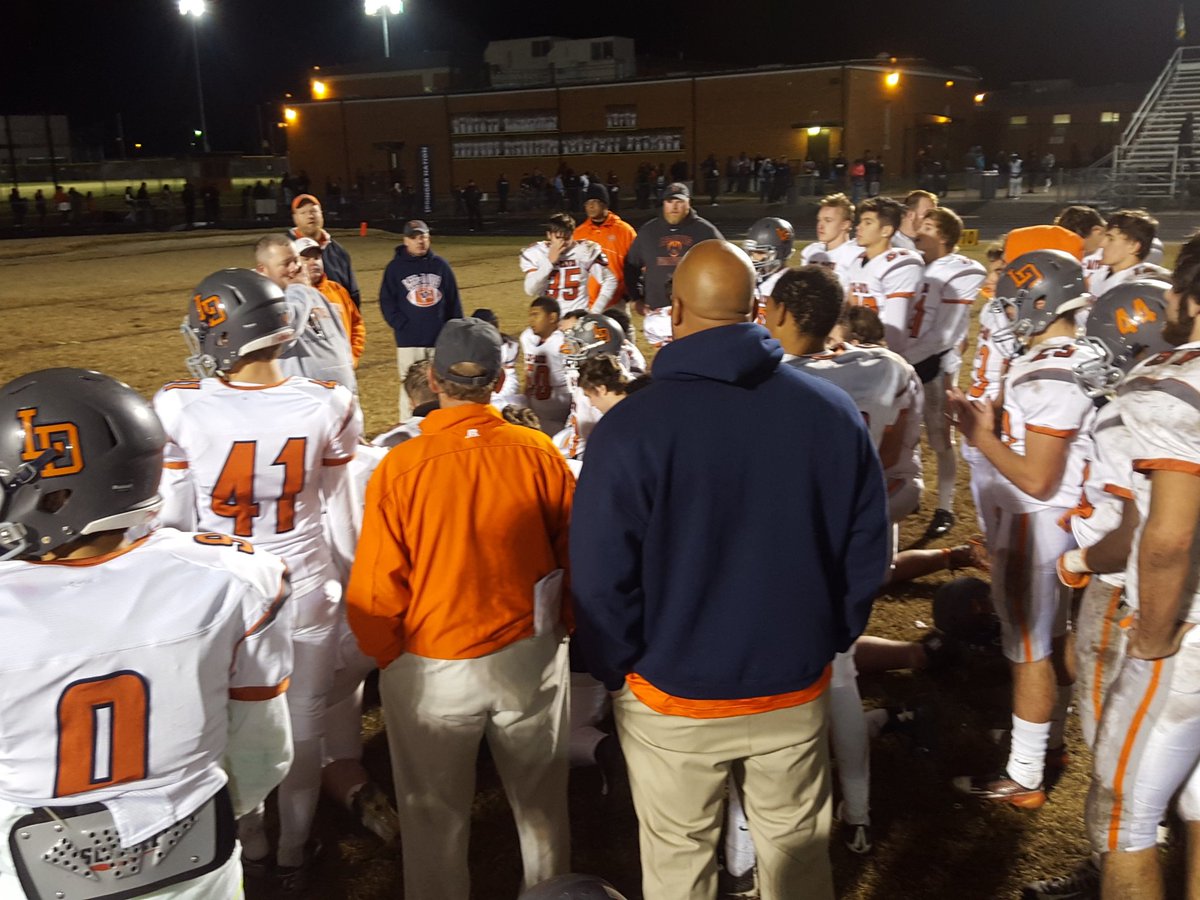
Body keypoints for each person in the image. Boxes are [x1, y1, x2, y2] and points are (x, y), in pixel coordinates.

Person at [571, 241, 890, 900]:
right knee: (796, 863)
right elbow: (866, 549)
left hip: (670, 693)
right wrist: (827, 635)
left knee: (679, 866)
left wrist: (619, 670)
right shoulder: (829, 412)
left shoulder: (630, 429)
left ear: (675, 309)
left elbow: (601, 580)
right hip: (791, 684)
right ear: (758, 309)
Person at [0, 367, 293, 899]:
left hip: (27, 873)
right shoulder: (233, 578)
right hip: (196, 864)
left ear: (54, 497)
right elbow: (263, 752)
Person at [347, 317, 575, 900]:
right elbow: (577, 556)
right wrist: (559, 632)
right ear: (499, 382)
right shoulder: (538, 450)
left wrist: (390, 658)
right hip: (527, 655)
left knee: (433, 821)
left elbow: (375, 592)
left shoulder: (399, 467)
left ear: (431, 379)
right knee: (542, 811)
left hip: (434, 664)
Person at [156, 268, 362, 889]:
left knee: (234, 723)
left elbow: (173, 522)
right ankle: (297, 851)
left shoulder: (178, 406)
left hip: (225, 591)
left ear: (224, 335)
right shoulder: (328, 402)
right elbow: (337, 509)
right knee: (304, 723)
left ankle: (254, 845)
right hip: (305, 582)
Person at [1021, 279, 1173, 900]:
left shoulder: (1129, 411)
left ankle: (1113, 868)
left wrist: (1079, 559)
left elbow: (1130, 530)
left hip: (1129, 595)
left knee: (1118, 767)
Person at [947, 250, 1102, 808]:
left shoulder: (1047, 370)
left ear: (1040, 301)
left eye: (1014, 302)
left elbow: (1037, 478)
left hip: (1037, 523)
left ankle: (1025, 774)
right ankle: (1048, 742)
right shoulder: (1076, 354)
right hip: (1057, 524)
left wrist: (980, 433)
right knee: (1049, 641)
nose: (1008, 313)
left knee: (1029, 651)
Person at [1087, 235, 1200, 899]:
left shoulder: (1173, 382)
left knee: (1123, 818)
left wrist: (1154, 636)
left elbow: (1170, 535)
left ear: (1184, 298)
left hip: (1187, 632)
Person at [908, 207, 987, 541]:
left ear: (944, 236)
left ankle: (946, 507)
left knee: (940, 438)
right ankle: (908, 489)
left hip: (933, 364)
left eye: (927, 227)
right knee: (903, 431)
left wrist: (905, 357)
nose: (918, 233)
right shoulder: (916, 264)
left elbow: (947, 333)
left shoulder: (960, 269)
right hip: (907, 357)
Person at [379, 219, 464, 420]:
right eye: (414, 237)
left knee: (441, 385)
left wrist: (453, 332)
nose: (420, 241)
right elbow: (387, 302)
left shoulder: (440, 265)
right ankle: (407, 423)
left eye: (423, 236)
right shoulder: (395, 268)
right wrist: (402, 326)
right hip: (409, 342)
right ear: (405, 241)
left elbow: (453, 300)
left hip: (439, 340)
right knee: (409, 385)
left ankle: (441, 422)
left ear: (429, 238)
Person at [623, 182, 724, 347]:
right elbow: (631, 265)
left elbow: (725, 265)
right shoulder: (649, 231)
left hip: (695, 311)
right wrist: (635, 298)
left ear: (688, 203)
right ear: (663, 203)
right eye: (670, 202)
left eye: (679, 202)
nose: (674, 206)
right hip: (657, 310)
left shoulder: (706, 231)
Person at [254, 234, 357, 393]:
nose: (295, 268)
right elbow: (286, 329)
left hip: (341, 401)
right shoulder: (259, 303)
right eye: (286, 264)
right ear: (263, 269)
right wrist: (298, 288)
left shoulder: (311, 293)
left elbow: (340, 338)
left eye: (295, 260)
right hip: (305, 405)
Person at [846, 196, 924, 357]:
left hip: (890, 352)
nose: (858, 228)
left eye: (868, 222)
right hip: (860, 348)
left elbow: (895, 330)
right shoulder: (857, 261)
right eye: (860, 222)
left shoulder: (900, 265)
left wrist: (884, 358)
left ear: (886, 231)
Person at [521, 212, 618, 314]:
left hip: (576, 319)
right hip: (548, 320)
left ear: (573, 234)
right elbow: (530, 290)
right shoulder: (537, 252)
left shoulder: (584, 251)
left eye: (567, 238)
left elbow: (610, 281)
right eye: (558, 238)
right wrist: (549, 262)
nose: (562, 243)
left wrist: (595, 312)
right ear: (549, 235)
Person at [294, 236, 365, 365]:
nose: (313, 262)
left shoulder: (337, 290)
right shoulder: (290, 297)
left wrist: (352, 357)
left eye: (317, 258)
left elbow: (356, 324)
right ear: (295, 264)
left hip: (342, 370)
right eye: (305, 259)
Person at [288, 193, 361, 309]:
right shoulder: (284, 252)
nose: (310, 216)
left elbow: (353, 295)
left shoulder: (339, 252)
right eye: (303, 212)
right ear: (295, 218)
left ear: (321, 214)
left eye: (314, 211)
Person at [572, 183, 637, 312]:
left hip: (616, 302)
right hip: (586, 303)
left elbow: (637, 263)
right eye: (587, 202)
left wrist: (629, 292)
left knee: (621, 332)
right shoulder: (578, 233)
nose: (590, 205)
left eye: (595, 201)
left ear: (605, 204)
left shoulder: (625, 231)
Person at [1086, 209, 1168, 298]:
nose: (1102, 244)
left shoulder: (1137, 287)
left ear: (1133, 246)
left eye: (1111, 239)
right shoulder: (1101, 273)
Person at [521, 296, 572, 435]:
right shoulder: (527, 338)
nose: (531, 320)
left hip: (561, 415)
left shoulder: (564, 342)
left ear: (552, 317)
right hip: (537, 410)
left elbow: (576, 381)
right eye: (530, 315)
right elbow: (528, 373)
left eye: (536, 315)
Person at [799, 192, 861, 292]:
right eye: (819, 220)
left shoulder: (855, 255)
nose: (820, 225)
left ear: (845, 225)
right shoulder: (811, 251)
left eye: (828, 220)